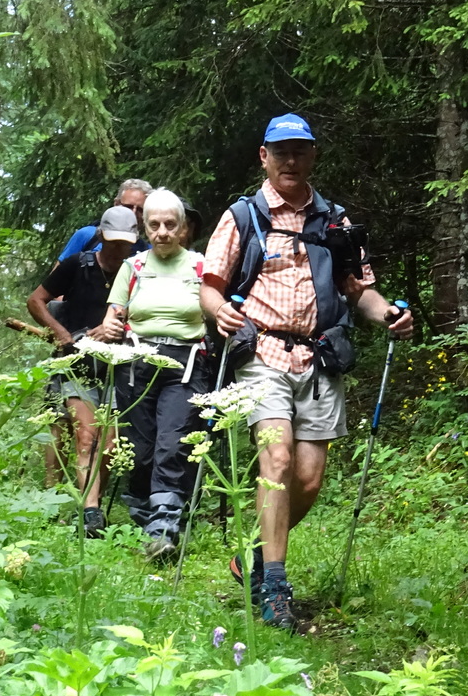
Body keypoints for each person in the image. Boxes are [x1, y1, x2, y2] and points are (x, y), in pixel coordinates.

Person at [200, 113, 413, 629]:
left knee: (309, 478)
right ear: (264, 157)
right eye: (281, 152)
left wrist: (387, 313)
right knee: (276, 459)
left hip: (318, 359)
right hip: (262, 355)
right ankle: (275, 589)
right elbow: (210, 285)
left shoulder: (335, 221)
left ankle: (252, 556)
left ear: (313, 155)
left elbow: (358, 289)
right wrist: (219, 310)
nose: (290, 160)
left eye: (300, 151)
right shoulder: (242, 215)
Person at [98, 189, 212, 563]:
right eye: (154, 225)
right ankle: (143, 515)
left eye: (170, 224)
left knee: (172, 442)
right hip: (136, 362)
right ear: (145, 228)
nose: (162, 232)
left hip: (186, 363)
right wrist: (111, 326)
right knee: (140, 448)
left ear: (183, 228)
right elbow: (114, 314)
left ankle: (163, 529)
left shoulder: (200, 266)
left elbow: (216, 307)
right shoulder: (133, 267)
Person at [27, 205, 140, 537]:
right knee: (86, 436)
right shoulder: (78, 265)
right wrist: (62, 334)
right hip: (78, 366)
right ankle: (91, 512)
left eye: (126, 243)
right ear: (101, 235)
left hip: (120, 367)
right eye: (114, 242)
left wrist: (119, 328)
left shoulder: (138, 272)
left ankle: (92, 504)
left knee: (110, 445)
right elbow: (36, 300)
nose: (119, 249)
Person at [55, 179, 152, 263]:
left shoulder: (148, 252)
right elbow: (58, 276)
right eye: (128, 207)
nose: (133, 213)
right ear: (116, 204)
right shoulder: (87, 236)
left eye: (140, 210)